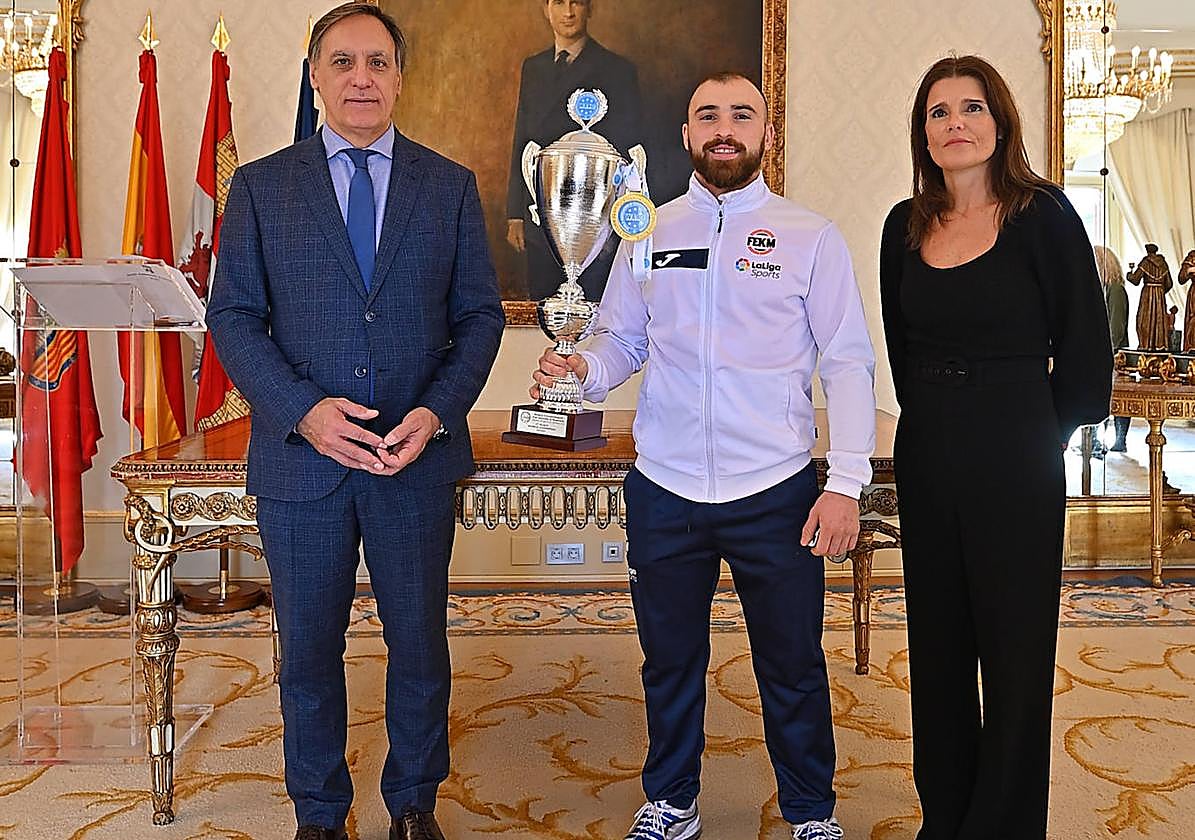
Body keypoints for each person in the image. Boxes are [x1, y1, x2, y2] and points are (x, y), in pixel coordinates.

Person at [534, 73, 876, 840]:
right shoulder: (646, 230)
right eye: (707, 116)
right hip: (667, 487)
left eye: (742, 115)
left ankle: (810, 813)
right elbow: (621, 340)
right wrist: (580, 368)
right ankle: (672, 801)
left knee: (791, 666)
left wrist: (846, 480)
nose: (725, 129)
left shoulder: (809, 236)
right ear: (686, 135)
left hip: (776, 491)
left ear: (765, 133)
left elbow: (848, 363)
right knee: (669, 662)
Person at [206, 4, 504, 840]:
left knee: (417, 646)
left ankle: (413, 803)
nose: (361, 78)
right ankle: (320, 814)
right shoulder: (262, 186)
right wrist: (304, 411)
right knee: (306, 654)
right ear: (315, 76)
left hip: (412, 459)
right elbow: (232, 317)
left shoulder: (446, 185)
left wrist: (435, 414)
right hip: (303, 465)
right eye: (342, 62)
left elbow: (479, 317)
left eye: (377, 61)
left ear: (401, 77)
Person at [879, 56, 1112, 840]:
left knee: (1013, 652)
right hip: (929, 445)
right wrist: (936, 425)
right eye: (937, 112)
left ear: (1000, 121)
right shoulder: (901, 225)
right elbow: (900, 346)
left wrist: (1034, 435)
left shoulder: (1042, 215)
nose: (954, 124)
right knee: (937, 646)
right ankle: (944, 817)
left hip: (1017, 446)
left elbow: (1085, 349)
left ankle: (1004, 825)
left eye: (970, 108)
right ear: (923, 132)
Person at [506, 0, 643, 301]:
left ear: (590, 9)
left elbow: (627, 146)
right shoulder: (534, 66)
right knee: (543, 299)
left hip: (592, 216)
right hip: (541, 206)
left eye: (577, 2)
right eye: (558, 2)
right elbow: (524, 138)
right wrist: (515, 212)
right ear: (546, 9)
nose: (568, 12)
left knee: (593, 303)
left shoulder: (617, 70)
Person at [1097, 245, 1131, 451]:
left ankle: (1120, 439)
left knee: (1119, 398)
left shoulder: (1116, 290)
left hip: (1114, 354)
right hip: (1105, 353)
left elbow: (1116, 328)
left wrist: (1106, 353)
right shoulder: (1103, 289)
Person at [1127, 243, 1172, 351]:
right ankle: (1159, 344)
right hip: (1160, 295)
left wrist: (1129, 274)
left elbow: (1135, 280)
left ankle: (1145, 344)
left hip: (1148, 294)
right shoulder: (1163, 264)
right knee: (1159, 320)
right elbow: (1169, 284)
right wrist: (1160, 292)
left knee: (1144, 319)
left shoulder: (1146, 262)